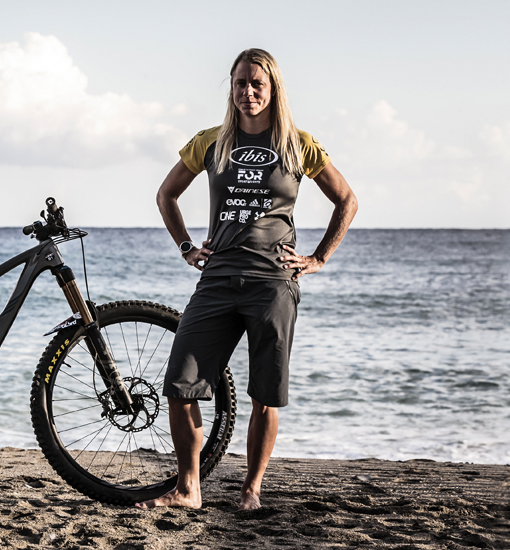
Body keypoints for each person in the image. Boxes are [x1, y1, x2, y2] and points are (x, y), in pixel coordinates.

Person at [138, 48, 357, 511]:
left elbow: (347, 200)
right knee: (180, 383)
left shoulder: (298, 145)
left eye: (257, 83)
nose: (248, 92)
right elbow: (166, 194)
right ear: (231, 88)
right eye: (240, 83)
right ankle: (188, 489)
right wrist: (186, 246)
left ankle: (251, 489)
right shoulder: (211, 142)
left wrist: (318, 257)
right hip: (217, 279)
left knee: (265, 396)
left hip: (272, 284)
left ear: (273, 89)